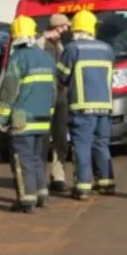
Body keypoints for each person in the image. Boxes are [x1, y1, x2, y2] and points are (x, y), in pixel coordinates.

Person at [0, 16, 57, 213]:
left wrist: (1, 117)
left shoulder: (18, 58)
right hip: (43, 119)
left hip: (23, 120)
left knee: (22, 161)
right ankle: (42, 195)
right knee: (38, 158)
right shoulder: (47, 57)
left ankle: (26, 200)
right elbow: (53, 91)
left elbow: (9, 91)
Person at [57, 10, 115, 200]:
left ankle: (82, 187)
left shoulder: (73, 49)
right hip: (105, 107)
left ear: (76, 28)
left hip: (82, 108)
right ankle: (106, 183)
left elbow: (62, 76)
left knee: (82, 146)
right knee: (101, 145)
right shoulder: (107, 49)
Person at [37, 13, 73, 193]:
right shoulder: (40, 44)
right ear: (58, 27)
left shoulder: (60, 46)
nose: (67, 30)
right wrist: (43, 37)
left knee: (60, 138)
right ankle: (41, 178)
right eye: (65, 26)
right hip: (43, 97)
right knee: (42, 139)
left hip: (60, 97)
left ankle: (58, 177)